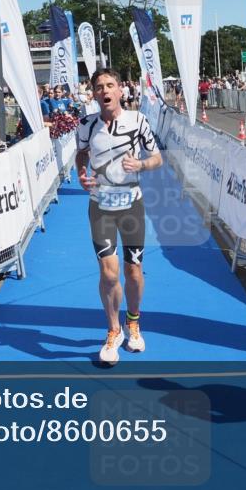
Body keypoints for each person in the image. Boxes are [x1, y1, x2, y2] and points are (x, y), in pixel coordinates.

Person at [75, 67, 163, 365]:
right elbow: (81, 154)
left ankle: (133, 321)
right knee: (108, 273)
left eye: (110, 85)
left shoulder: (138, 121)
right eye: (99, 87)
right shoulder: (86, 124)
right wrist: (82, 174)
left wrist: (140, 165)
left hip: (131, 207)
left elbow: (157, 158)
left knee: (133, 272)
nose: (105, 91)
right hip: (100, 208)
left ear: (120, 90)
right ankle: (113, 330)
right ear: (94, 93)